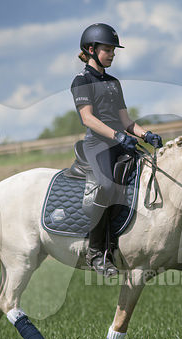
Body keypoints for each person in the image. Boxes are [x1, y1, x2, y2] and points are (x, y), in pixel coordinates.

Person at [71, 23, 163, 276]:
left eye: (114, 50)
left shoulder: (113, 82)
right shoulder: (81, 80)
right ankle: (95, 252)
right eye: (107, 49)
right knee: (108, 187)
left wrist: (146, 134)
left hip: (121, 141)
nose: (112, 54)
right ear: (91, 49)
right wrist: (117, 136)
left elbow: (126, 121)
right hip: (98, 145)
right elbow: (87, 118)